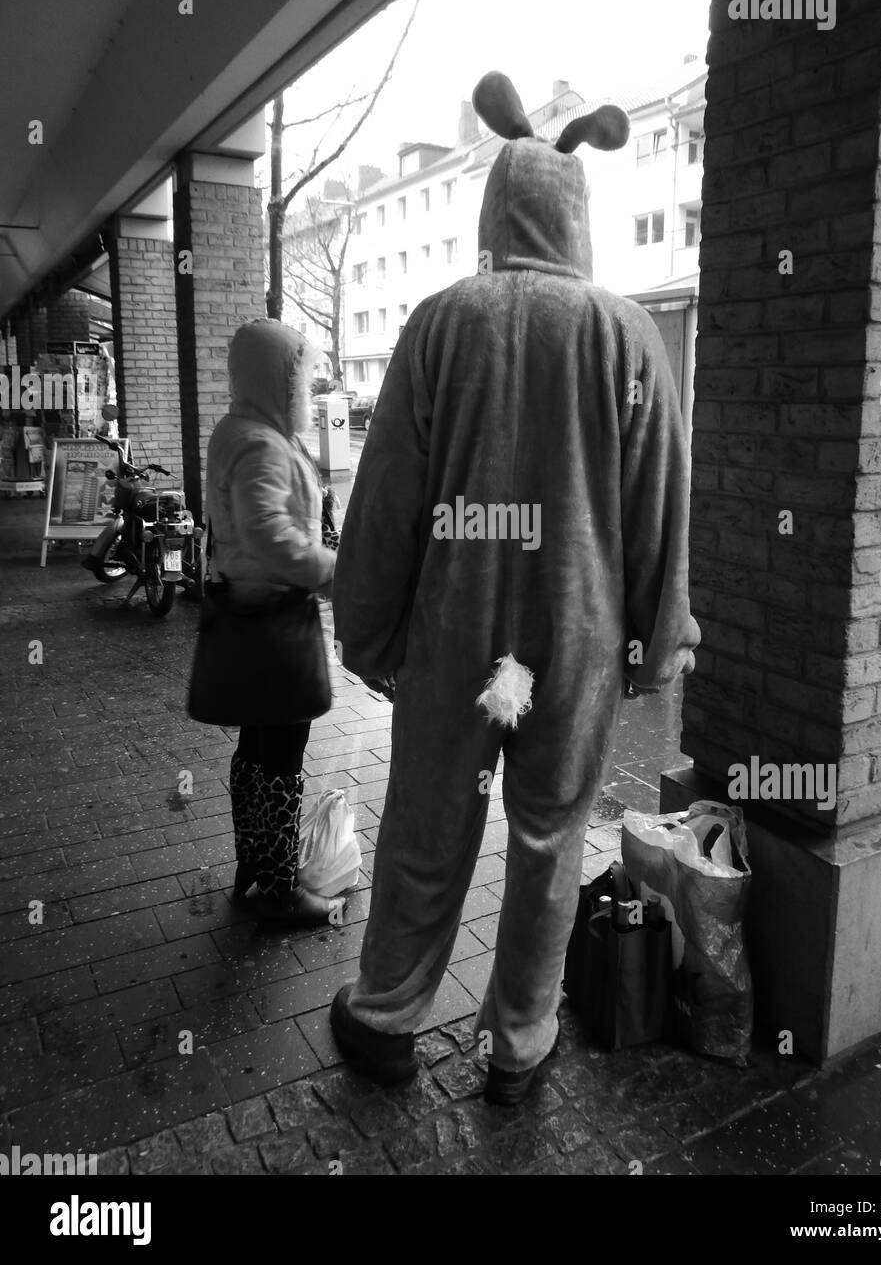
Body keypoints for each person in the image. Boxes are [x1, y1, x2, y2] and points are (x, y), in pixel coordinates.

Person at [329, 72, 700, 1102]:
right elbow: (664, 500)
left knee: (428, 820)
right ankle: (522, 1043)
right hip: (577, 632)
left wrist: (369, 627)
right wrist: (656, 642)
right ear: (579, 215)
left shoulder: (441, 325)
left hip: (457, 629)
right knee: (549, 836)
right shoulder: (628, 336)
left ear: (495, 206)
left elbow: (389, 494)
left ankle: (389, 1016)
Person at [205, 318, 337, 927]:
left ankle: (253, 868)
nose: (307, 389)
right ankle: (280, 889)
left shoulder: (240, 429)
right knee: (281, 754)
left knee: (256, 751)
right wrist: (333, 569)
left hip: (248, 615)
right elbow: (270, 537)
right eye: (300, 376)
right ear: (275, 379)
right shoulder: (259, 443)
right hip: (273, 621)